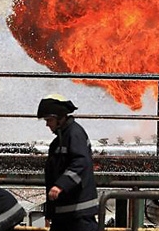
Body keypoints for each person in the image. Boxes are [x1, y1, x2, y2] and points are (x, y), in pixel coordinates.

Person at [37, 94, 98, 231]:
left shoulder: (74, 134)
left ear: (60, 118)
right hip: (65, 213)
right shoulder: (61, 139)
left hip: (78, 213)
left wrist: (60, 185)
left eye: (49, 120)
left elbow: (81, 162)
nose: (47, 124)